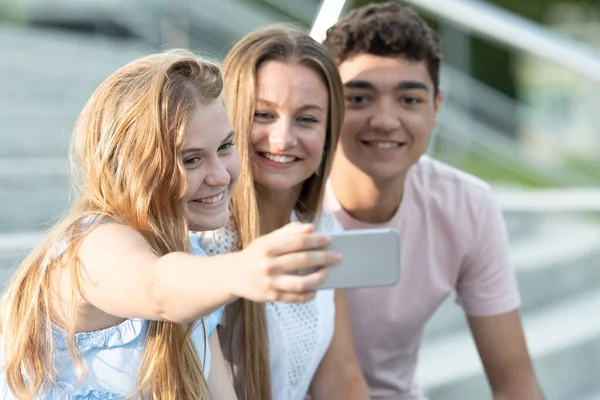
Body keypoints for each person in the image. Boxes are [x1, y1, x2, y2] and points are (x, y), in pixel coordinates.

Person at [0, 49, 340, 399]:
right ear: (134, 166)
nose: (221, 176)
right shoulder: (92, 245)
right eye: (191, 159)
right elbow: (157, 287)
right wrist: (244, 270)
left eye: (225, 147)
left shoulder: (191, 258)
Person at [321, 3, 544, 400]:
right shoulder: (281, 194)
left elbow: (515, 383)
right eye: (358, 99)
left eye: (409, 100)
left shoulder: (467, 205)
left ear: (436, 108)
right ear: (327, 105)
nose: (386, 120)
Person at [196, 24, 369, 400]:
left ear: (328, 134)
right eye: (263, 114)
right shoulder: (201, 240)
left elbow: (340, 374)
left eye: (306, 119)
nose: (283, 138)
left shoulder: (322, 226)